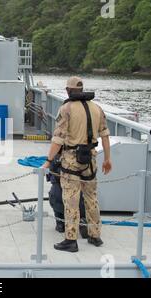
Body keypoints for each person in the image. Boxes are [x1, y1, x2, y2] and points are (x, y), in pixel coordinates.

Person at [42, 76, 112, 253]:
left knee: (71, 201)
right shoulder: (97, 108)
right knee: (91, 199)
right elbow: (104, 134)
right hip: (91, 160)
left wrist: (48, 161)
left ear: (68, 90)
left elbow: (58, 139)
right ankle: (95, 236)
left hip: (71, 161)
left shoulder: (66, 108)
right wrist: (108, 159)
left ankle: (70, 240)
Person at [47, 154, 89, 238]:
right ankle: (82, 220)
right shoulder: (81, 156)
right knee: (81, 199)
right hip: (77, 201)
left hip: (58, 198)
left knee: (55, 196)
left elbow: (50, 175)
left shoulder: (56, 157)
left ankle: (60, 224)